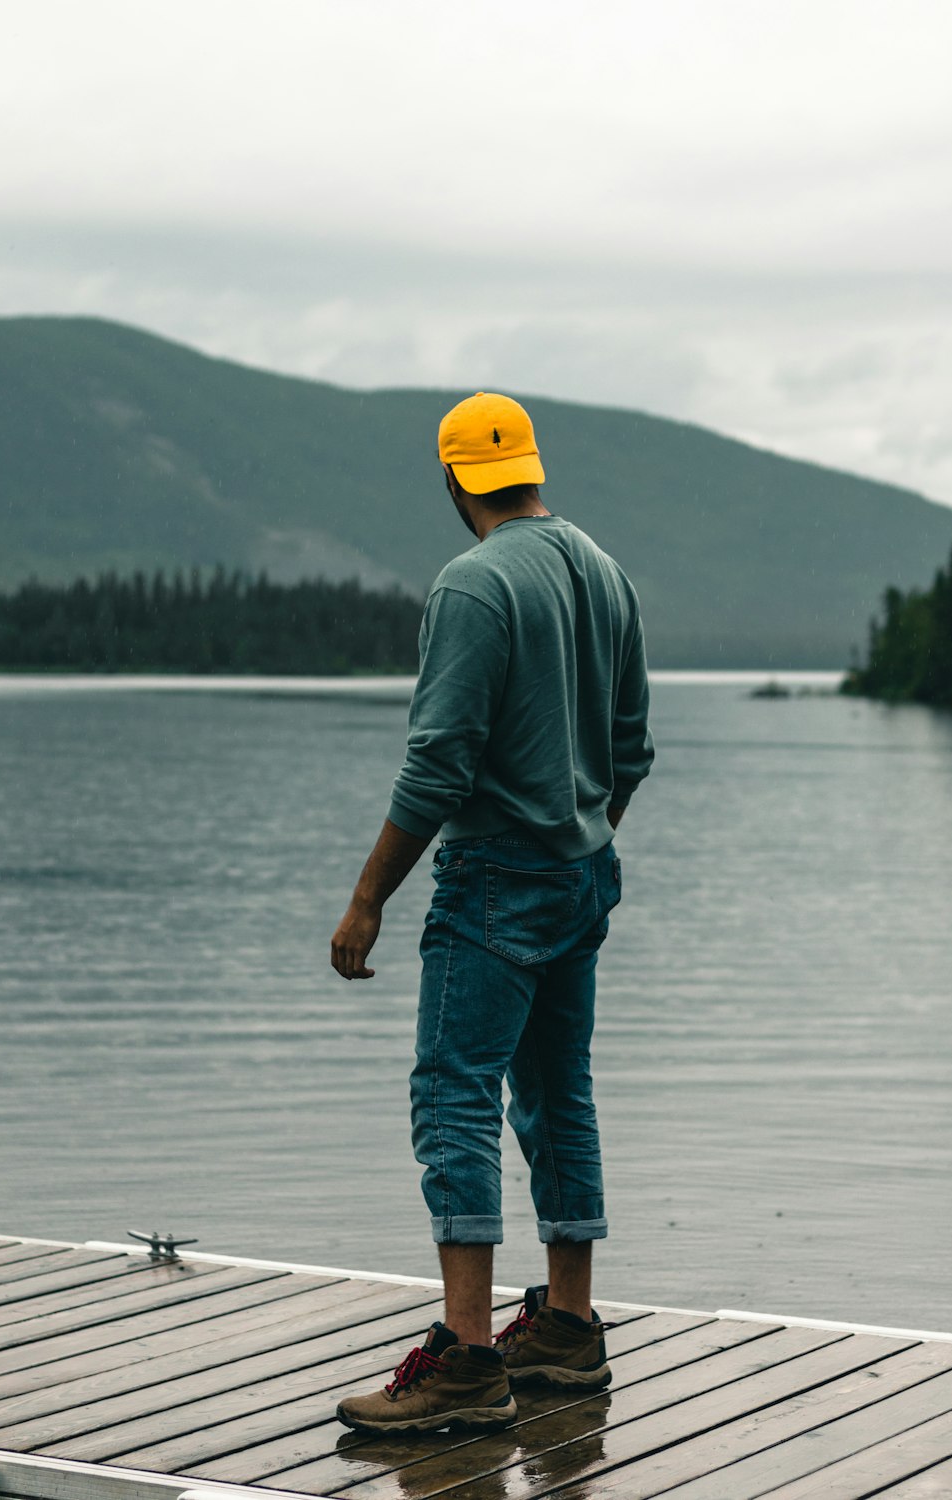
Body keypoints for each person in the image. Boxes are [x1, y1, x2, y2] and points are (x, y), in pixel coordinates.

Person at [330, 391, 654, 1434]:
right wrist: (581, 831)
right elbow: (632, 748)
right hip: (582, 871)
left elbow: (439, 764)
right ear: (528, 469)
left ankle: (467, 1358)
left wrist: (368, 896)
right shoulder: (602, 570)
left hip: (493, 881)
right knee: (560, 1090)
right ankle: (566, 1328)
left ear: (454, 479)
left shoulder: (472, 585)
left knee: (454, 1094)